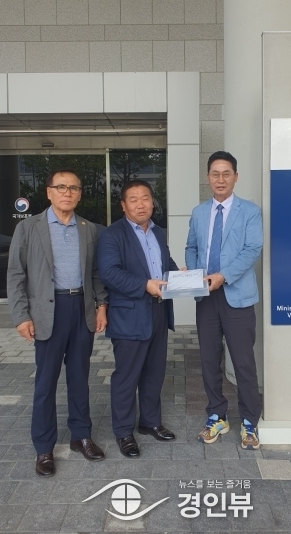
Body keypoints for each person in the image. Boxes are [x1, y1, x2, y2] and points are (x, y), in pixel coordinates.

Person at [7, 169, 108, 477]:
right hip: (47, 312)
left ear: (79, 194)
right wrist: (21, 316)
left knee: (79, 378)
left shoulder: (89, 229)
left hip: (81, 308)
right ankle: (44, 447)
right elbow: (16, 274)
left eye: (73, 188)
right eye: (61, 187)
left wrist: (102, 305)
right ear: (49, 192)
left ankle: (81, 435)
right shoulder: (29, 228)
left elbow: (95, 273)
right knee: (46, 382)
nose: (67, 192)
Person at [185, 151, 263, 450]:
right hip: (206, 297)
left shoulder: (250, 211)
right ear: (208, 177)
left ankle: (249, 420)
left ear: (235, 177)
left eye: (226, 173)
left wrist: (223, 275)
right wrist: (196, 275)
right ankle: (216, 415)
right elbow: (191, 247)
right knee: (208, 360)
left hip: (237, 296)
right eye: (215, 174)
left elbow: (252, 249)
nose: (220, 179)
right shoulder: (199, 212)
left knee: (243, 362)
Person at [97, 179, 178, 458]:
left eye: (145, 198)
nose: (141, 204)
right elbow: (110, 273)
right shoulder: (112, 235)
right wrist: (145, 284)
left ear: (152, 202)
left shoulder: (158, 232)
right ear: (123, 205)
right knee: (127, 376)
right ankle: (123, 431)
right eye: (133, 199)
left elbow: (165, 265)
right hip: (129, 314)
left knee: (155, 372)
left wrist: (181, 276)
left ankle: (150, 422)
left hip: (158, 310)